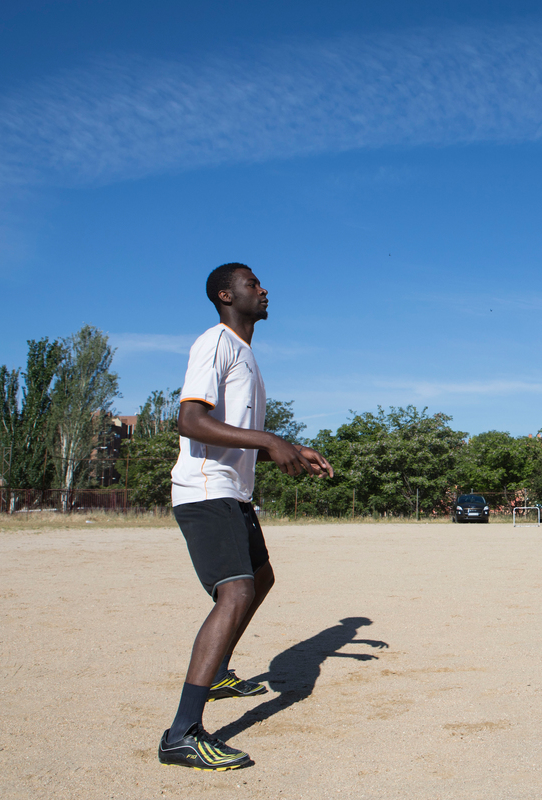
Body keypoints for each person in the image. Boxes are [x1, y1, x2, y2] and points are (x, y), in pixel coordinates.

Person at [158, 263, 333, 770]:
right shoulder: (215, 342)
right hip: (206, 490)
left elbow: (234, 431)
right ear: (225, 294)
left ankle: (219, 674)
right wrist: (269, 440)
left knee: (260, 577)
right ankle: (182, 733)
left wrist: (289, 447)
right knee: (235, 591)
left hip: (232, 491)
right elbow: (190, 421)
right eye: (253, 283)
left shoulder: (246, 354)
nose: (264, 289)